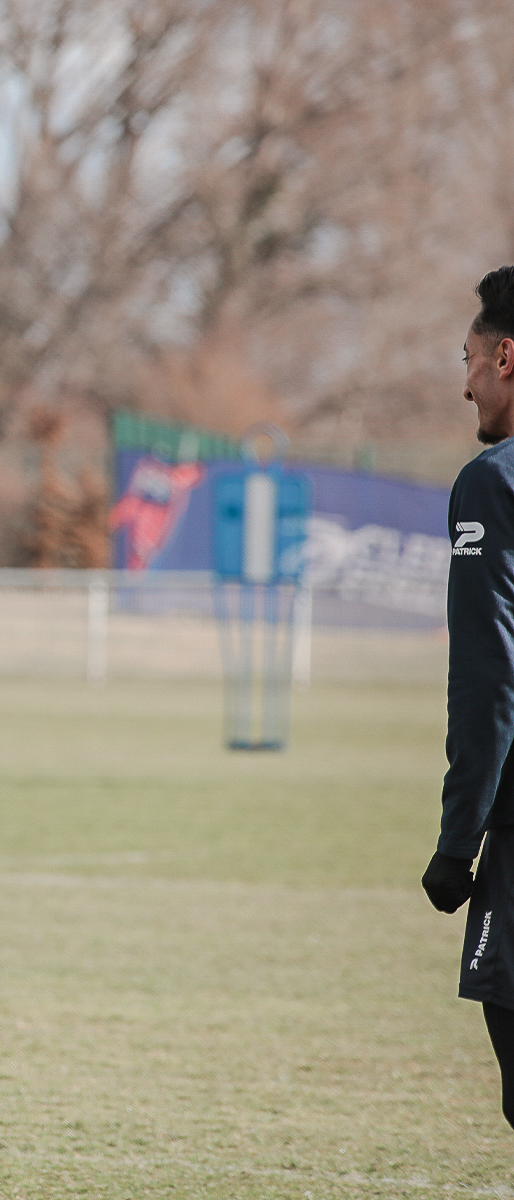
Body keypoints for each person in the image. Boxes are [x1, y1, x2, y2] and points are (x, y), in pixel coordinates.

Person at [423, 265, 514, 1131]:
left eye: (471, 360)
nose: (465, 383)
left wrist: (459, 843)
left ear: (507, 357)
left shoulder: (493, 483)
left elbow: (491, 678)